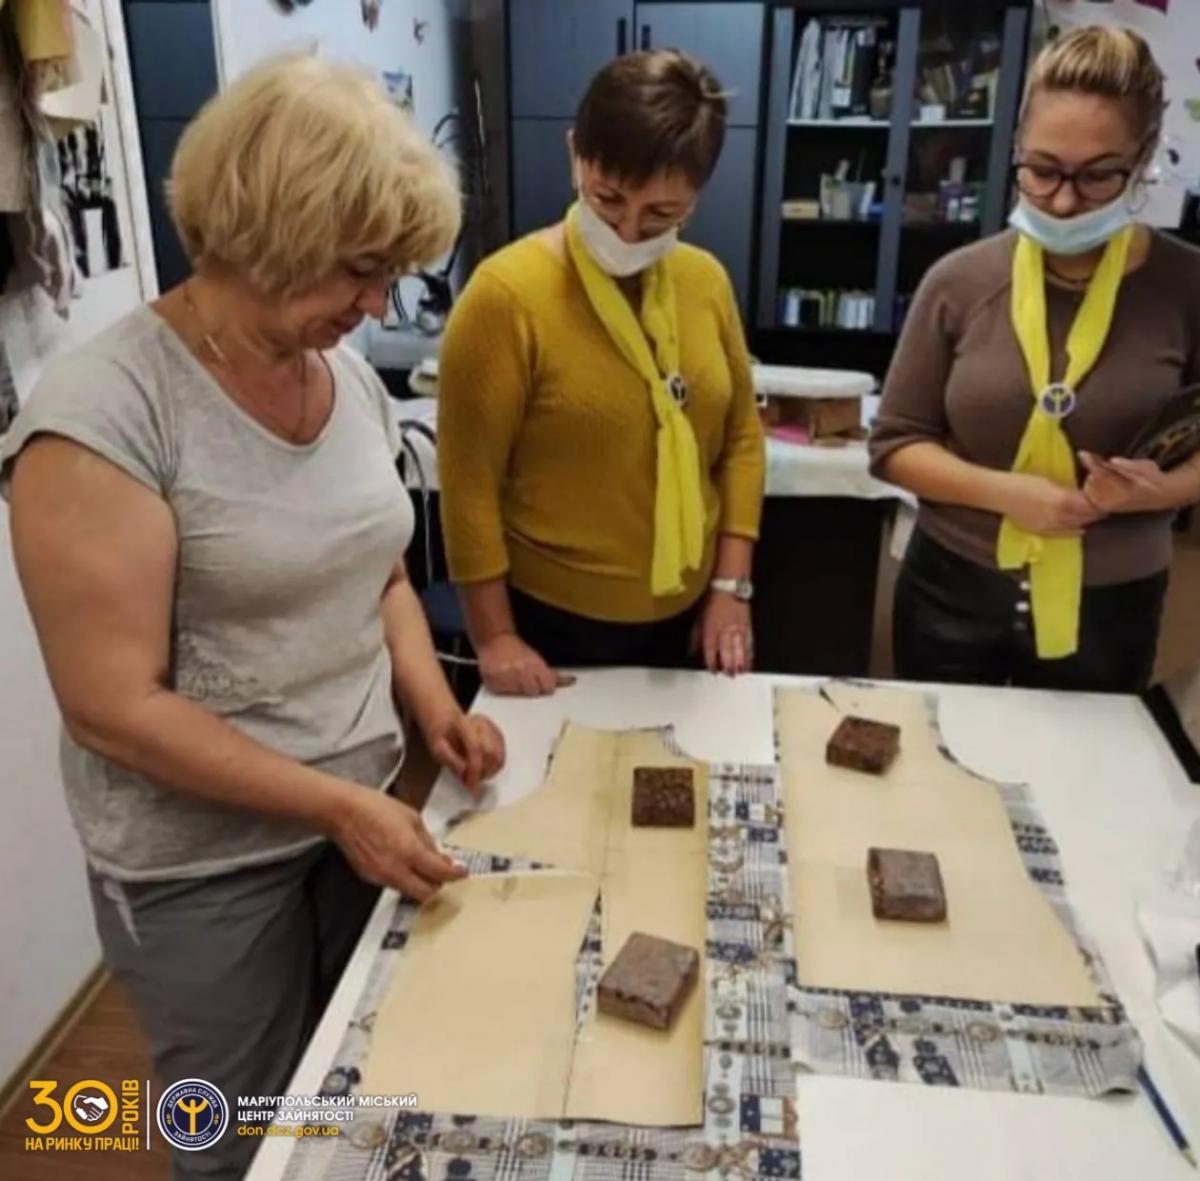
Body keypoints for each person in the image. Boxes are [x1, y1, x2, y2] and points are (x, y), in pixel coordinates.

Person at [2, 56, 503, 1180]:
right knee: (235, 1144)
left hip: (354, 816)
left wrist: (434, 706)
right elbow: (112, 707)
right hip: (203, 872)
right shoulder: (103, 416)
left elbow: (378, 574)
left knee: (345, 1111)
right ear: (274, 232)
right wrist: (337, 803)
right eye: (362, 271)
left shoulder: (345, 379)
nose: (378, 306)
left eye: (392, 276)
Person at [870, 26, 1200, 693]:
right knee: (940, 751)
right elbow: (895, 444)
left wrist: (1160, 491)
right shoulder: (958, 282)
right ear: (1017, 147)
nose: (1064, 200)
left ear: (1142, 160)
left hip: (1111, 604)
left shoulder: (1186, 286)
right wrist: (1008, 494)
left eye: (1098, 175)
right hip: (950, 590)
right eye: (1042, 170)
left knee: (1086, 757)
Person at [437, 50, 766, 696]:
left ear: (696, 197)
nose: (628, 231)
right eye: (607, 198)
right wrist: (494, 637)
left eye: (661, 214)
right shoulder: (505, 296)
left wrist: (732, 586)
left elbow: (741, 440)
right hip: (553, 627)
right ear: (574, 155)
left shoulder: (706, 282)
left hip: (691, 614)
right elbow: (468, 485)